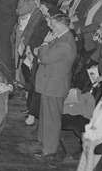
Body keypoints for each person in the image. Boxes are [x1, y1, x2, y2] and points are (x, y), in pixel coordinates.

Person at [33, 11, 78, 159]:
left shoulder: (65, 43)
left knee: (52, 118)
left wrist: (44, 43)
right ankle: (44, 141)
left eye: (52, 24)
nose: (50, 26)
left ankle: (50, 149)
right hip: (50, 82)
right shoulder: (61, 37)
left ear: (60, 25)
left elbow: (45, 58)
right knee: (46, 114)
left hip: (55, 85)